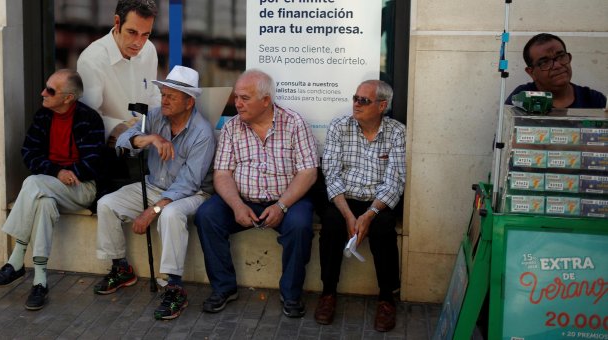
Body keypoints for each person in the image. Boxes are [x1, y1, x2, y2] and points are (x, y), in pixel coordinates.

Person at [95, 66, 216, 321]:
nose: (164, 100)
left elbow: (188, 183)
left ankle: (174, 285)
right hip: (153, 185)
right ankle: (120, 267)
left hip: (192, 194)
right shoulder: (155, 117)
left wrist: (153, 210)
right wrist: (149, 138)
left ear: (189, 102)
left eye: (172, 96)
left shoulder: (202, 132)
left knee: (170, 214)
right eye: (163, 93)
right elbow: (121, 141)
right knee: (106, 203)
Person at [195, 69, 319, 318]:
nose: (237, 104)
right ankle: (224, 288)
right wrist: (236, 205)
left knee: (300, 224)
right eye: (236, 97)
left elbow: (308, 172)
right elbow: (222, 174)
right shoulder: (232, 127)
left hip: (287, 200)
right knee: (207, 216)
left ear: (266, 100)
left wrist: (282, 206)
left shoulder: (294, 123)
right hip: (242, 199)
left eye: (244, 98)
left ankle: (291, 294)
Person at [0, 69, 105, 311]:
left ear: (68, 97)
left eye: (50, 90)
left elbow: (95, 160)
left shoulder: (88, 118)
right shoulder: (43, 116)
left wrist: (71, 173)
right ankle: (40, 281)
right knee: (43, 203)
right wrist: (56, 172)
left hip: (81, 189)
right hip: (49, 187)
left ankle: (16, 259)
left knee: (32, 183)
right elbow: (28, 152)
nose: (43, 93)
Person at [316, 80, 406, 332]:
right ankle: (328, 293)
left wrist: (369, 214)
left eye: (363, 100)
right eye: (355, 98)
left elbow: (395, 181)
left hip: (377, 201)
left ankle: (387, 298)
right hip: (344, 198)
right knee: (331, 226)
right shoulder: (339, 126)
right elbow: (331, 174)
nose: (356, 104)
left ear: (382, 106)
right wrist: (347, 214)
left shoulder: (397, 132)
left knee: (383, 230)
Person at [77, 0, 161, 139]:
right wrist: (120, 127)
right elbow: (85, 118)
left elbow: (153, 97)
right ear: (117, 22)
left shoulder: (149, 50)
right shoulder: (92, 60)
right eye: (132, 32)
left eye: (145, 34)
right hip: (108, 151)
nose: (138, 43)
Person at [506, 33, 607, 109]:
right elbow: (504, 136)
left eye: (561, 56)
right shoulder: (520, 99)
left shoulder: (593, 100)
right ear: (531, 72)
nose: (557, 65)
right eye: (545, 62)